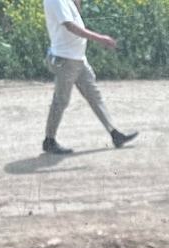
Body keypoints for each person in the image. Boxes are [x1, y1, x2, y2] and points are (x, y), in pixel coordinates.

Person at [41, 0, 138, 155]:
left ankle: (115, 134)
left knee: (94, 96)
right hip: (66, 59)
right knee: (61, 101)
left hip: (77, 58)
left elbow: (76, 16)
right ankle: (49, 140)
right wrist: (100, 38)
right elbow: (70, 26)